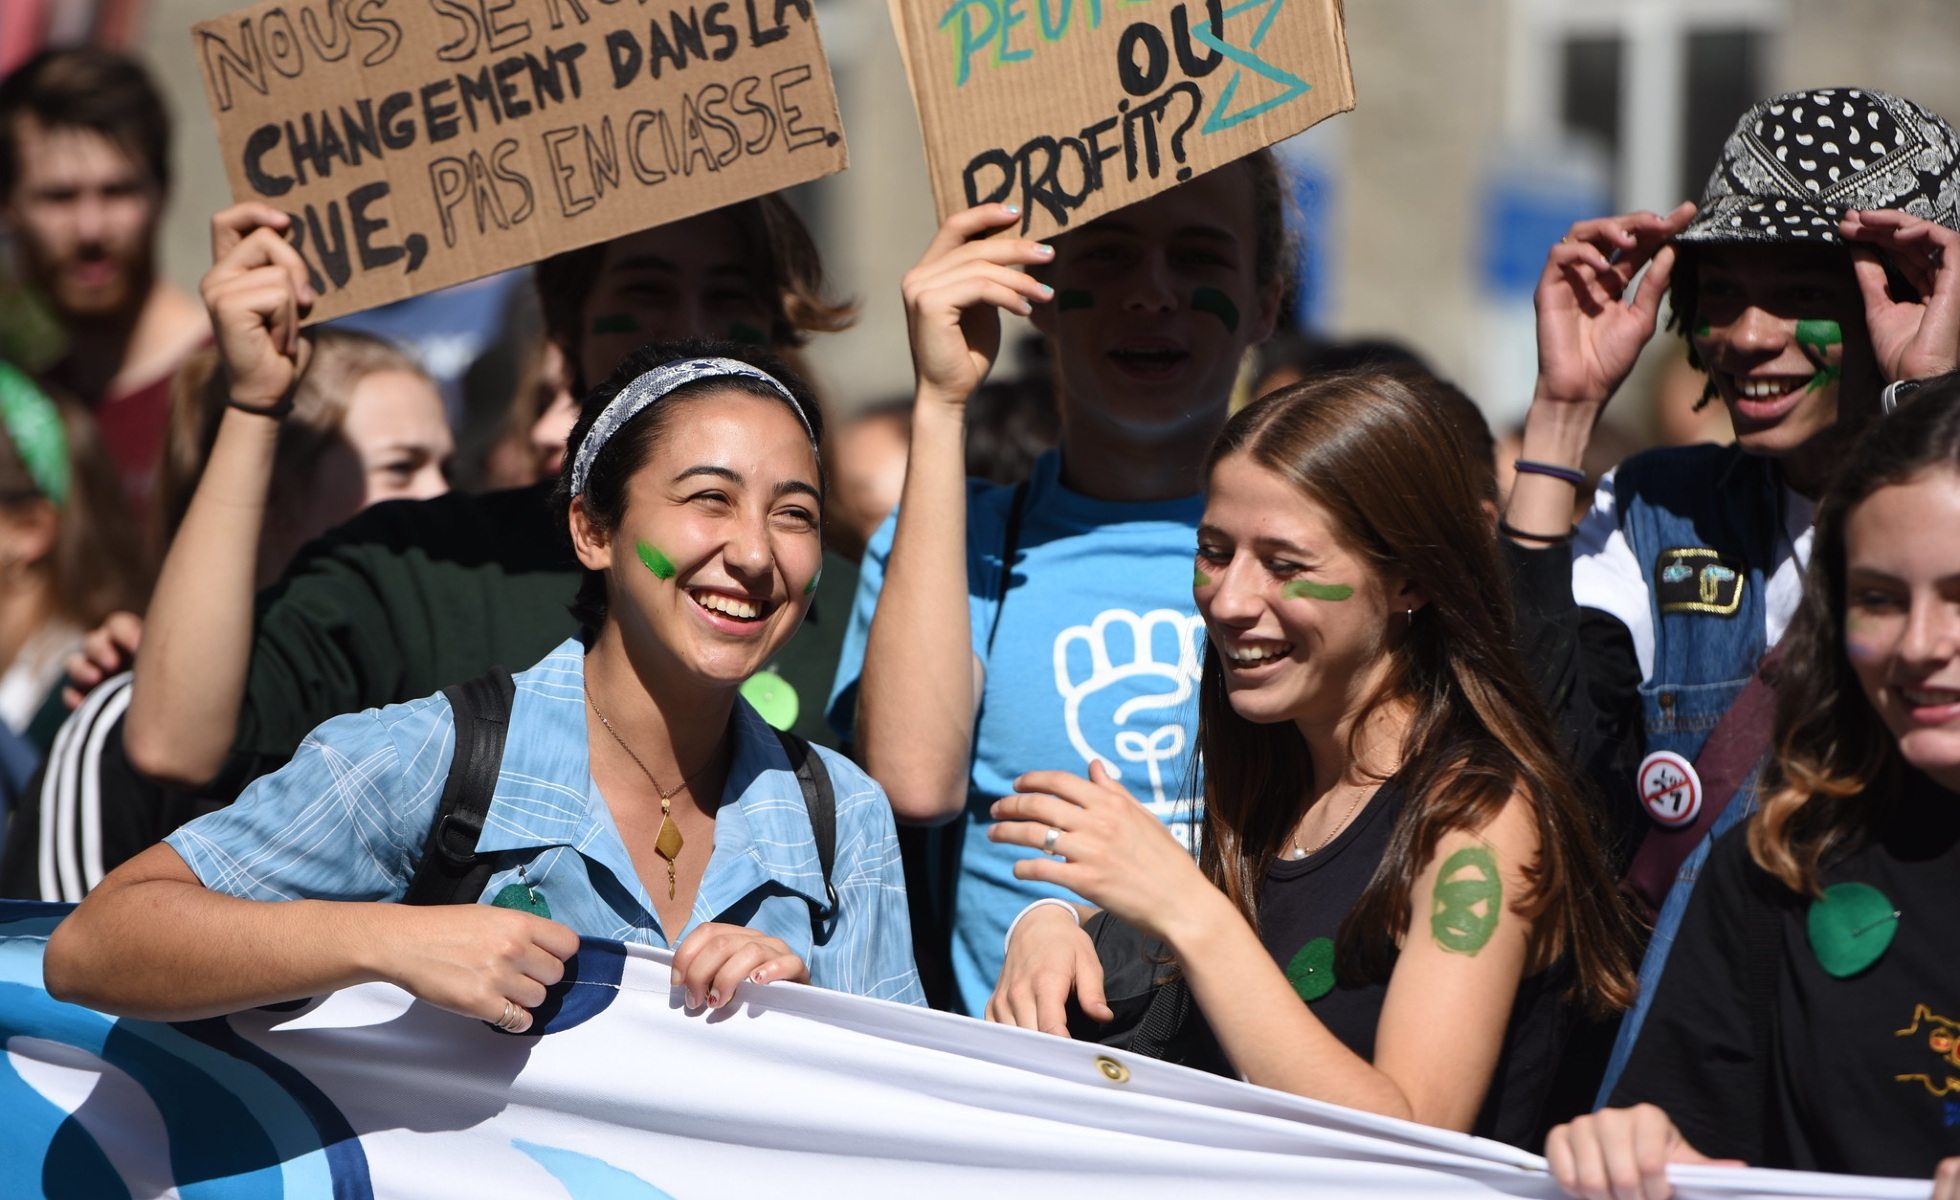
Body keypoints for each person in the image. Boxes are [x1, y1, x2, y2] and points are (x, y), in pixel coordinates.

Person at [44, 341, 924, 1025]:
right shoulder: (429, 757)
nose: (757, 553)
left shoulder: (843, 818)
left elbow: (910, 1129)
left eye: (795, 514)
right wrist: (394, 942)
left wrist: (816, 1023)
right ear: (592, 531)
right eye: (709, 498)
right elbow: (95, 945)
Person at [986, 371, 1634, 1145]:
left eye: (1285, 565)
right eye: (1215, 551)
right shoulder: (1281, 782)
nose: (1229, 599)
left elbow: (1414, 1136)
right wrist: (1052, 923)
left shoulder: (1478, 818)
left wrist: (1189, 912)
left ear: (1409, 580)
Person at [1499, 88, 1960, 1093]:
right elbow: (1531, 758)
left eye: (1799, 291)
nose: (1746, 334)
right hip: (1671, 1089)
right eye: (1716, 293)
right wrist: (1563, 418)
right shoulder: (1653, 510)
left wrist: (1924, 402)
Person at [116, 194, 857, 806]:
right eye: (646, 289)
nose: (692, 325)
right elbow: (173, 746)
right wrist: (253, 401)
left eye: (729, 295)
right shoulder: (413, 569)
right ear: (564, 319)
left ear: (777, 326)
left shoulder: (832, 598)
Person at [831, 156, 1289, 1013]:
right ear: (1034, 287)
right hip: (1022, 1100)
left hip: (1244, 1097)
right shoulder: (950, 541)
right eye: (1109, 254)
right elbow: (912, 783)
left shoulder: (1328, 555)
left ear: (1267, 297)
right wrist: (940, 400)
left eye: (1199, 258)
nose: (1152, 293)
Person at [1546, 372, 1960, 1198]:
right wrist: (1638, 1151)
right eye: (1877, 598)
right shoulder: (1777, 866)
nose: (1919, 642)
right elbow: (1693, 1144)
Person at [0, 49, 208, 514]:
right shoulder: (24, 416)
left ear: (164, 191)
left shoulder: (236, 386)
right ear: (8, 208)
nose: (91, 229)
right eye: (59, 197)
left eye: (118, 191)